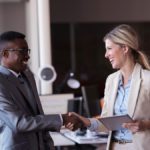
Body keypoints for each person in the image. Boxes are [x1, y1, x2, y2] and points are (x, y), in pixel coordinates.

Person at [69, 24, 150, 150]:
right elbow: (106, 123)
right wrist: (84, 121)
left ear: (124, 48)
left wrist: (145, 125)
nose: (106, 55)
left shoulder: (147, 79)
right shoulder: (111, 81)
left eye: (109, 49)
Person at [0, 31, 81, 150]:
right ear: (5, 53)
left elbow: (38, 114)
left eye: (27, 51)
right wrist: (61, 119)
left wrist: (49, 145)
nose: (27, 56)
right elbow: (19, 123)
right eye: (22, 51)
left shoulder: (28, 75)